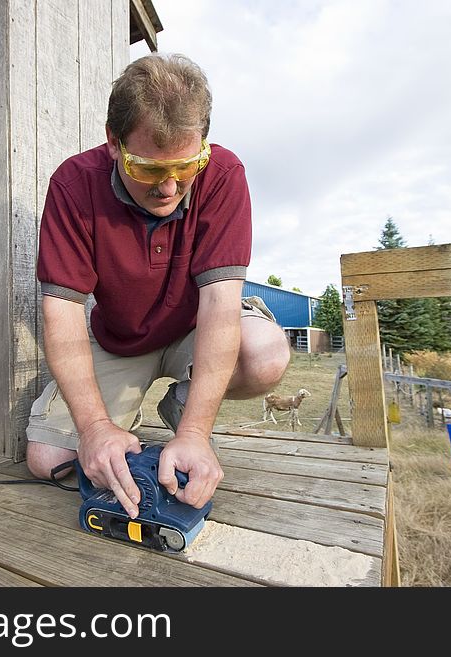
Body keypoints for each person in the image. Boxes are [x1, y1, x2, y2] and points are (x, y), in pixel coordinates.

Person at [26, 53, 290, 519]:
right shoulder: (73, 185)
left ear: (203, 145)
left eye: (186, 166)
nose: (169, 188)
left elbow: (220, 308)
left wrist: (195, 434)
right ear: (113, 142)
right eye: (148, 168)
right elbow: (62, 314)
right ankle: (123, 420)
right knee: (48, 461)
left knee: (265, 353)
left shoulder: (225, 175)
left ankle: (184, 416)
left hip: (195, 331)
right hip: (121, 340)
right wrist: (93, 429)